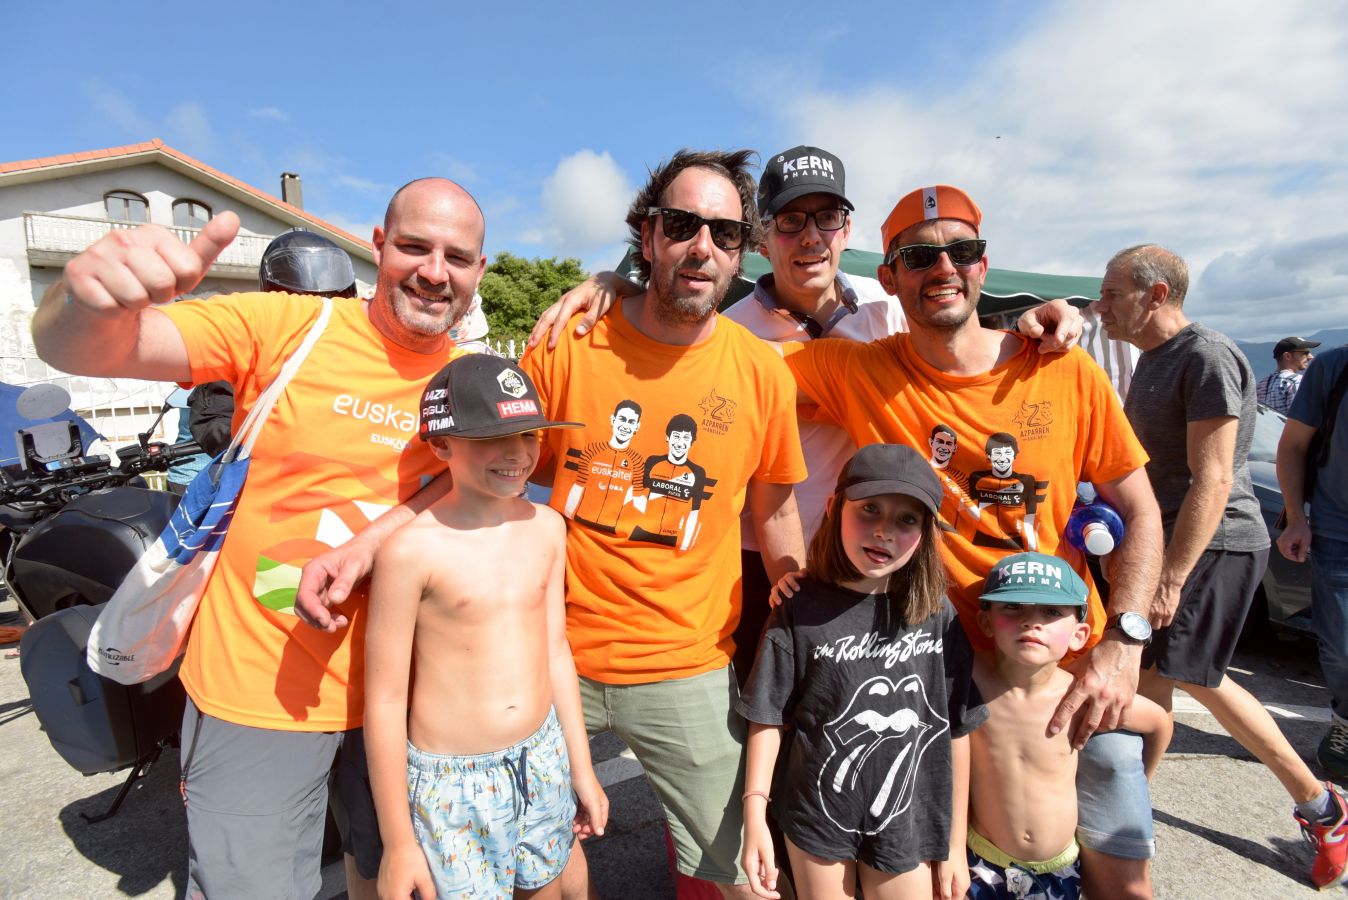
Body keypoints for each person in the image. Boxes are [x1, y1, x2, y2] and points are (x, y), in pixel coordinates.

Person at [30, 176, 486, 900]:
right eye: (414, 247)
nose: (436, 271)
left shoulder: (473, 381)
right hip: (259, 693)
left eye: (457, 257)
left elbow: (487, 482)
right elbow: (85, 348)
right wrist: (81, 299)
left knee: (392, 878)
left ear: (478, 273)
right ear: (377, 248)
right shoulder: (289, 326)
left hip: (405, 697)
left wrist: (375, 539)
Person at [533, 146, 1084, 689]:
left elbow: (958, 334)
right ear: (762, 238)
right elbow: (668, 336)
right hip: (758, 558)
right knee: (767, 711)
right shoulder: (732, 330)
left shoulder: (887, 307)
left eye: (827, 218)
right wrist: (620, 284)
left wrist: (1034, 321)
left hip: (872, 552)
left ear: (846, 231)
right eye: (791, 220)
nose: (811, 236)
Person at [779, 184, 1165, 899]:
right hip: (942, 686)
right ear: (890, 277)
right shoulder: (856, 368)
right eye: (920, 256)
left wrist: (1127, 641)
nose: (944, 267)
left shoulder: (1061, 367)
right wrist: (623, 290)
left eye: (964, 250)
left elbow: (1140, 511)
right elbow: (719, 370)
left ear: (986, 265)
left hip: (1070, 675)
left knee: (1123, 885)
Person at [517, 148, 809, 899]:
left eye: (723, 232)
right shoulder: (565, 343)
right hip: (551, 652)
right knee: (536, 863)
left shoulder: (761, 370)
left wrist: (801, 601)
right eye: (682, 224)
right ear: (646, 235)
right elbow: (506, 483)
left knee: (742, 873)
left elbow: (773, 507)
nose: (701, 246)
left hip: (688, 662)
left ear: (742, 251)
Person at [1096, 244, 1348, 890]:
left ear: (1157, 295)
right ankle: (1129, 814)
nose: (1102, 307)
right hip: (1175, 542)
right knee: (1153, 675)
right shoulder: (1152, 360)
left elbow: (1212, 479)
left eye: (1113, 293)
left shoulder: (1205, 354)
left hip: (1215, 544)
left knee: (1194, 676)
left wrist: (1173, 576)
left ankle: (1323, 807)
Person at [364, 354, 606, 899]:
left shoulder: (547, 528)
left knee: (545, 885)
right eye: (493, 438)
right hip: (452, 783)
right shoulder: (410, 551)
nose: (517, 453)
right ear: (441, 443)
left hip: (543, 754)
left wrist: (581, 769)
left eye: (528, 434)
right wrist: (399, 842)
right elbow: (383, 700)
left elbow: (555, 652)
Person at [738, 443, 985, 900]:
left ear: (927, 531)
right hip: (816, 812)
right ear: (834, 507)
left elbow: (956, 726)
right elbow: (767, 715)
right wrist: (755, 813)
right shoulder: (797, 606)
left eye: (907, 519)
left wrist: (952, 843)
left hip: (908, 819)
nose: (884, 532)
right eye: (869, 509)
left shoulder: (937, 613)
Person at [968, 552, 1171, 900]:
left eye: (1051, 612)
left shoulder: (1079, 697)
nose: (1031, 622)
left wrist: (1143, 781)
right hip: (981, 861)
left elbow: (1158, 724)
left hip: (1058, 867)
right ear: (985, 623)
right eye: (1014, 607)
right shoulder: (972, 678)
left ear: (1079, 635)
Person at [187, 229, 361, 457]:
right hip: (268, 471)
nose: (318, 311)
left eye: (328, 302)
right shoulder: (248, 342)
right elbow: (215, 422)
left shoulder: (356, 344)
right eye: (303, 302)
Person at [1277, 345, 1348, 780]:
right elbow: (1293, 446)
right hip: (1338, 531)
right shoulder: (1334, 368)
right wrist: (1296, 518)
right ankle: (1344, 720)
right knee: (1342, 648)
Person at [1257, 336, 1320, 415]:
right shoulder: (1297, 381)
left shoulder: (1261, 384)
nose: (1310, 357)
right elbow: (1303, 417)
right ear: (1287, 356)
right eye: (1305, 353)